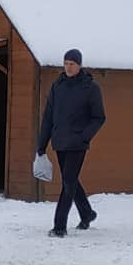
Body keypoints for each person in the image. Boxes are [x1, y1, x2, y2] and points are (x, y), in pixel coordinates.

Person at [36, 47, 105, 238]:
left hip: (77, 143)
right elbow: (48, 118)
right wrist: (41, 145)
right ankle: (87, 213)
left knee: (68, 181)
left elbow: (99, 117)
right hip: (60, 141)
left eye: (72, 64)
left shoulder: (90, 88)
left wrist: (84, 136)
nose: (68, 67)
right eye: (66, 63)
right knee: (71, 180)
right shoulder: (57, 87)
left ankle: (59, 226)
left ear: (79, 65)